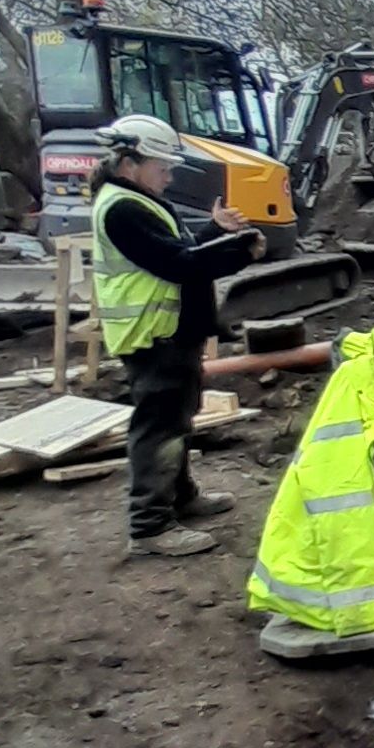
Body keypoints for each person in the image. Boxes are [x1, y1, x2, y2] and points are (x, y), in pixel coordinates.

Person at [87, 115, 265, 558]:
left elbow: (180, 252)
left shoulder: (137, 201)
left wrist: (214, 232)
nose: (169, 174)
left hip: (168, 334)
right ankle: (150, 525)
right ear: (130, 162)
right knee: (159, 427)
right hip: (152, 335)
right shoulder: (123, 209)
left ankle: (180, 497)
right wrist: (238, 251)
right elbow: (177, 264)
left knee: (177, 419)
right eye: (162, 166)